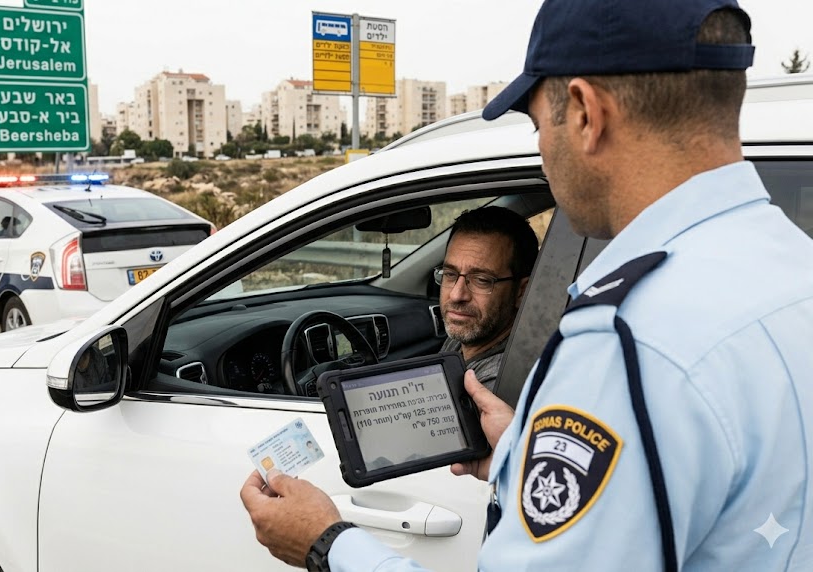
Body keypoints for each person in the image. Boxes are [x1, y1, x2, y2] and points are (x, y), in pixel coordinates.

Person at [240, 1, 813, 570]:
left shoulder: (625, 344)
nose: (541, 152)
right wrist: (520, 452)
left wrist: (327, 543)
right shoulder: (793, 265)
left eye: (539, 125)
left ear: (586, 113)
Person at [436, 207, 538, 392]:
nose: (457, 295)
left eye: (481, 280)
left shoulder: (501, 382)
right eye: (450, 274)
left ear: (522, 291)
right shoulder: (468, 336)